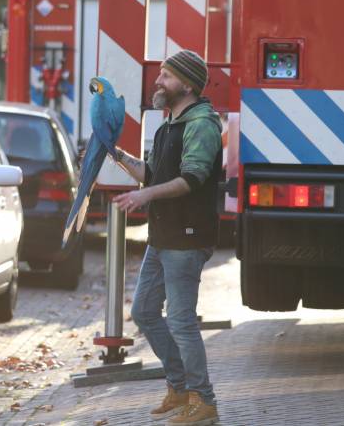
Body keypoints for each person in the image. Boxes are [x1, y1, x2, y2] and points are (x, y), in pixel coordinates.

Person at [113, 49, 222, 426]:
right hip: (163, 238)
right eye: (160, 74)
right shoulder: (168, 126)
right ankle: (178, 387)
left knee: (180, 321)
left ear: (187, 84)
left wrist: (144, 196)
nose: (158, 82)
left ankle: (203, 400)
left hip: (187, 239)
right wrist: (118, 155)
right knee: (143, 311)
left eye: (166, 76)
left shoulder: (202, 124)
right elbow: (154, 175)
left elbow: (191, 179)